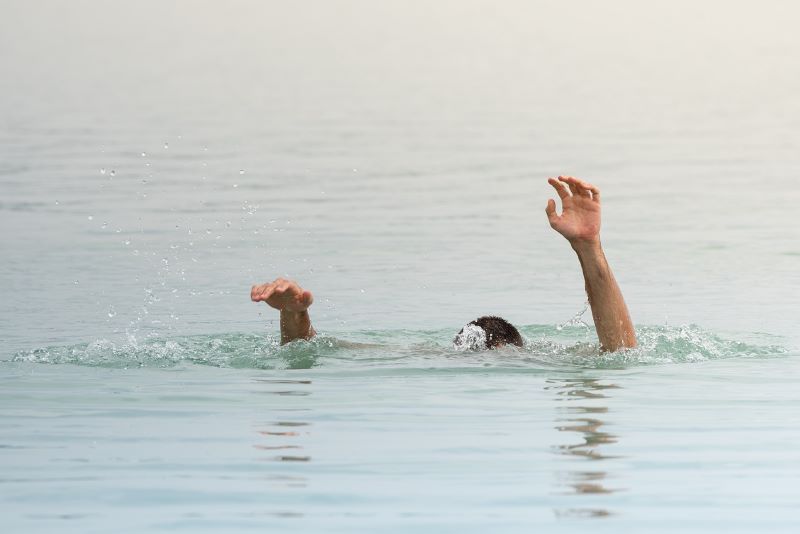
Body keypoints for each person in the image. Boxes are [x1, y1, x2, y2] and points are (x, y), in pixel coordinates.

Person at [250, 177, 637, 352]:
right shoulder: (539, 361)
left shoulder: (421, 355)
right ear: (514, 349)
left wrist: (294, 318)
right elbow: (621, 351)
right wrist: (590, 250)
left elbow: (312, 349)